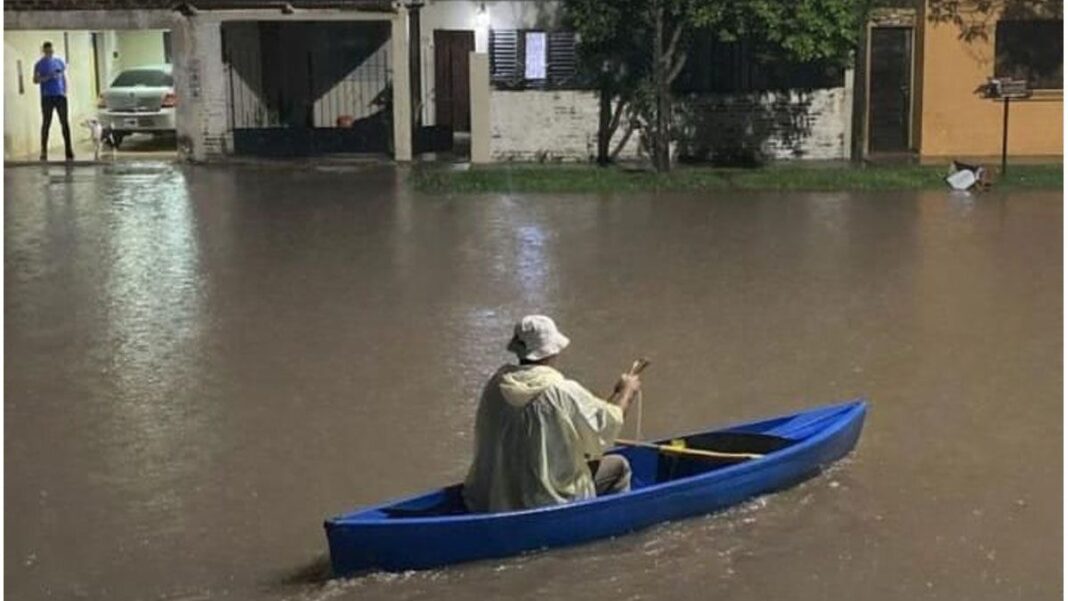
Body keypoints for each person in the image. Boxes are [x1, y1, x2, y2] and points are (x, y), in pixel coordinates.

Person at [463, 315, 642, 513]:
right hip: (548, 498)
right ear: (551, 352)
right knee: (620, 466)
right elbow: (606, 426)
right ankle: (612, 527)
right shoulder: (561, 390)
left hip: (497, 494)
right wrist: (627, 392)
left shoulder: (496, 384)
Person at [33, 41, 74, 161]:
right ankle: (43, 150)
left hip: (60, 96)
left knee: (64, 122)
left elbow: (63, 76)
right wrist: (47, 77)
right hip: (47, 97)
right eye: (47, 51)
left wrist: (64, 90)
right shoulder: (39, 64)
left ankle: (68, 149)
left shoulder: (59, 62)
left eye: (51, 51)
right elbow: (35, 80)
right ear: (43, 51)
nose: (49, 53)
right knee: (46, 123)